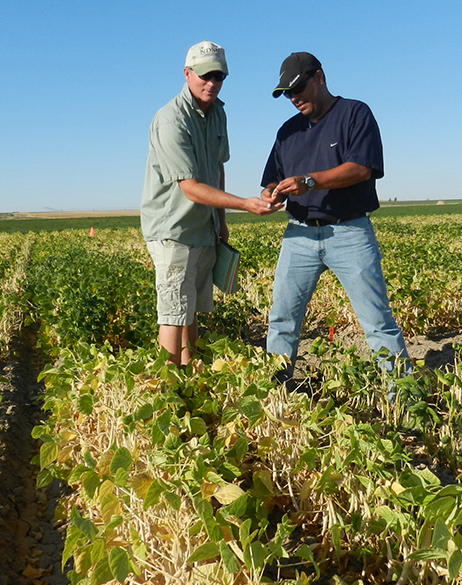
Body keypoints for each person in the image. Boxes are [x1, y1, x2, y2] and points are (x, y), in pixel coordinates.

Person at [260, 51, 408, 381]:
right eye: (287, 93)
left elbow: (360, 168)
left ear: (320, 77)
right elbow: (272, 177)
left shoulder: (355, 113)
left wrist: (309, 181)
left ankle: (402, 397)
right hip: (298, 235)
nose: (294, 98)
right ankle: (275, 397)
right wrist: (271, 193)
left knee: (377, 321)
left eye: (298, 88)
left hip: (349, 232)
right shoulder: (287, 132)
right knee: (282, 321)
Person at [141, 40, 282, 367]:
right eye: (204, 76)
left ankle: (191, 378)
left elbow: (218, 167)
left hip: (203, 228)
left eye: (218, 77)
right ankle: (168, 393)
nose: (211, 83)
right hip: (173, 230)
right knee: (173, 313)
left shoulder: (218, 113)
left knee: (190, 311)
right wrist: (245, 205)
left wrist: (221, 222)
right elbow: (190, 188)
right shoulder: (170, 120)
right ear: (187, 74)